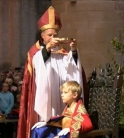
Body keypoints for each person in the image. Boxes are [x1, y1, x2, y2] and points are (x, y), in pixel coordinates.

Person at [17, 6, 88, 138]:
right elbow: (38, 68)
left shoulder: (63, 52)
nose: (53, 38)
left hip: (63, 102)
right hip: (46, 102)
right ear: (42, 36)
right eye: (49, 35)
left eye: (55, 35)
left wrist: (73, 51)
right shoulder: (35, 53)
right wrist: (47, 50)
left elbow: (73, 70)